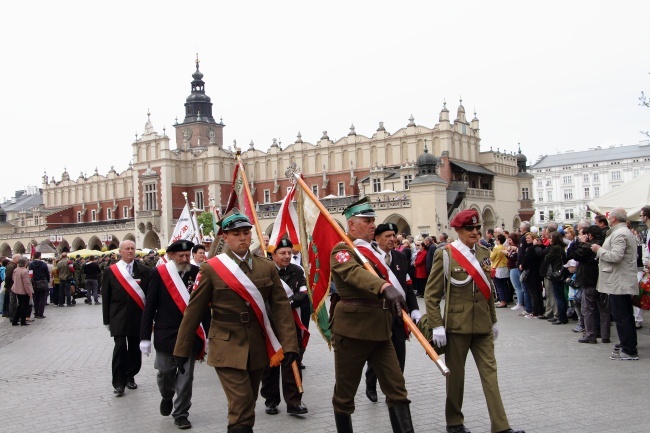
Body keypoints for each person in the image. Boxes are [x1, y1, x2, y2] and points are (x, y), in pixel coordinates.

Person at [173, 209, 298, 433]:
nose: (242, 238)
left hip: (257, 346)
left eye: (246, 233)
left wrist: (289, 345)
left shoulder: (266, 267)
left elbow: (280, 309)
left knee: (247, 404)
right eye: (236, 233)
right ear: (226, 238)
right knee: (241, 404)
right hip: (226, 346)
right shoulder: (211, 269)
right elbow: (194, 312)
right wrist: (182, 350)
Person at [425, 209, 524, 433]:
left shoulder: (483, 252)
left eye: (477, 227)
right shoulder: (446, 254)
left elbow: (487, 290)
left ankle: (501, 427)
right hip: (456, 326)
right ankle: (454, 422)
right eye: (470, 228)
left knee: (490, 375)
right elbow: (431, 295)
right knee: (455, 378)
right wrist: (437, 325)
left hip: (482, 325)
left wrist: (494, 320)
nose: (475, 232)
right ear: (458, 230)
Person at [329, 197, 413, 433]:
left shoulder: (377, 251)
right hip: (352, 332)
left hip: (381, 331)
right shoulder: (343, 250)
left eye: (373, 220)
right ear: (351, 225)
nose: (372, 224)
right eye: (366, 221)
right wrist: (384, 287)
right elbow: (354, 273)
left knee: (397, 389)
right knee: (345, 395)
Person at [140, 240, 209, 430]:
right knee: (165, 373)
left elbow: (204, 307)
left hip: (190, 335)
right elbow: (150, 306)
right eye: (182, 256)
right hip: (166, 334)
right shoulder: (158, 274)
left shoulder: (197, 273)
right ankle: (167, 395)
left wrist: (208, 333)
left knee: (186, 378)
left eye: (188, 255)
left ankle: (181, 414)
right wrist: (144, 337)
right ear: (171, 255)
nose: (186, 259)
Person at [364, 223, 421, 405]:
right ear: (377, 238)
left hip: (398, 314)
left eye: (393, 235)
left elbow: (408, 286)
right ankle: (371, 383)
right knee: (377, 352)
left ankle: (396, 391)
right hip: (378, 314)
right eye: (387, 235)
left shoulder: (400, 256)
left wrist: (415, 309)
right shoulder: (370, 258)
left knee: (399, 353)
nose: (392, 239)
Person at [261, 238, 310, 416]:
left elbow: (303, 293)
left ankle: (294, 401)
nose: (287, 256)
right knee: (271, 363)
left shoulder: (297, 271)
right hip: (270, 323)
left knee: (292, 359)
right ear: (272, 254)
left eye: (289, 252)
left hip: (291, 322)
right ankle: (271, 400)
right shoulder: (265, 271)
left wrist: (286, 304)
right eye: (282, 253)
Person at [102, 240, 150, 396]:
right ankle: (118, 382)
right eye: (127, 249)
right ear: (120, 251)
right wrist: (106, 320)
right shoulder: (111, 271)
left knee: (135, 349)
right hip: (118, 317)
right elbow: (106, 297)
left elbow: (149, 296)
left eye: (132, 249)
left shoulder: (144, 270)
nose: (130, 251)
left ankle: (131, 376)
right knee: (120, 348)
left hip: (138, 316)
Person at [591, 208, 639, 360]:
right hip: (619, 280)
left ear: (613, 219)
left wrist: (599, 250)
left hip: (619, 280)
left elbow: (616, 256)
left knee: (622, 316)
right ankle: (628, 344)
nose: (608, 217)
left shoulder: (620, 233)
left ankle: (629, 349)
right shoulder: (621, 232)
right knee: (625, 315)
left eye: (609, 216)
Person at [573, 225, 610, 343]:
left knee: (588, 308)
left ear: (589, 235)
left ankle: (590, 335)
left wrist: (581, 243)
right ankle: (605, 335)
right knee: (604, 309)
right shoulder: (605, 244)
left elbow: (576, 255)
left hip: (590, 280)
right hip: (603, 280)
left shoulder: (589, 246)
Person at [542, 231, 568, 324]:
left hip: (556, 273)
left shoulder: (555, 248)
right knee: (559, 295)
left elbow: (546, 258)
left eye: (550, 238)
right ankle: (561, 316)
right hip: (560, 272)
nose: (549, 240)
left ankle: (561, 317)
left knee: (558, 296)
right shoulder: (561, 247)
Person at [11, 257, 33, 326]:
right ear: (25, 263)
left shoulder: (16, 270)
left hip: (17, 290)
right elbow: (26, 283)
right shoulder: (25, 271)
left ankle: (15, 320)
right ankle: (23, 321)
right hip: (24, 291)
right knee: (24, 306)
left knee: (20, 305)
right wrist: (29, 292)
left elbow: (13, 279)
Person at [28, 251, 50, 319]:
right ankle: (41, 313)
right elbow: (47, 274)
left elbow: (30, 274)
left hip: (35, 283)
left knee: (36, 298)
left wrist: (32, 280)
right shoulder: (44, 264)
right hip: (43, 282)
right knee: (42, 299)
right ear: (40, 256)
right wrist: (47, 281)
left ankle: (36, 313)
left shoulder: (31, 264)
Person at [490, 234, 510, 308]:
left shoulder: (496, 248)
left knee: (499, 285)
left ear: (498, 240)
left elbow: (491, 258)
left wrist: (491, 251)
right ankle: (505, 299)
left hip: (498, 267)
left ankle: (502, 301)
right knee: (504, 284)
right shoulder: (505, 247)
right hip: (505, 266)